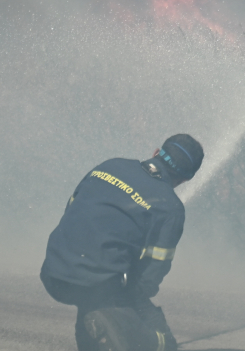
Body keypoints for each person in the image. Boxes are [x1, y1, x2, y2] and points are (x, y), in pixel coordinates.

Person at [40, 134, 204, 351]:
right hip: (93, 285)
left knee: (97, 307)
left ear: (156, 152)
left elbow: (72, 208)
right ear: (186, 179)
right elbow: (152, 273)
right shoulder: (171, 208)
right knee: (161, 339)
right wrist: (131, 305)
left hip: (53, 270)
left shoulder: (110, 166)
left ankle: (98, 329)